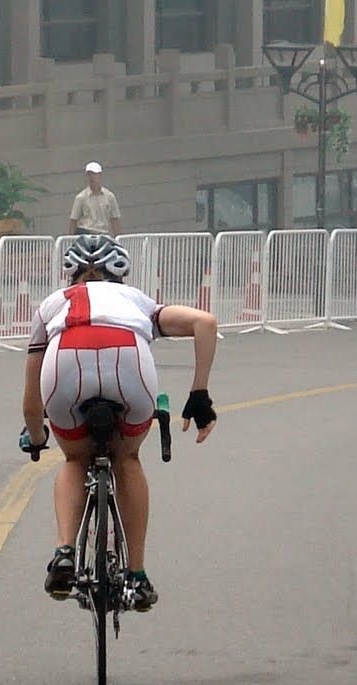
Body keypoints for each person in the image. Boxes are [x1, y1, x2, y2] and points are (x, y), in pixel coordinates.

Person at [20, 234, 218, 611]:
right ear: (120, 275)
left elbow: (32, 399)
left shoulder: (52, 304)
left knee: (74, 460)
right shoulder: (135, 300)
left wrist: (35, 434)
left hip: (66, 365)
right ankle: (137, 577)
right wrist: (199, 396)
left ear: (72, 275)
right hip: (128, 364)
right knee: (127, 459)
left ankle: (64, 552)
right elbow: (205, 322)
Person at [68, 162, 121, 237]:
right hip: (86, 234)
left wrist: (117, 238)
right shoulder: (80, 197)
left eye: (94, 174)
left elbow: (115, 219)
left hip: (103, 235)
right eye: (89, 175)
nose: (91, 177)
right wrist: (71, 239)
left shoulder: (109, 196)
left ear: (100, 175)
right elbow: (73, 220)